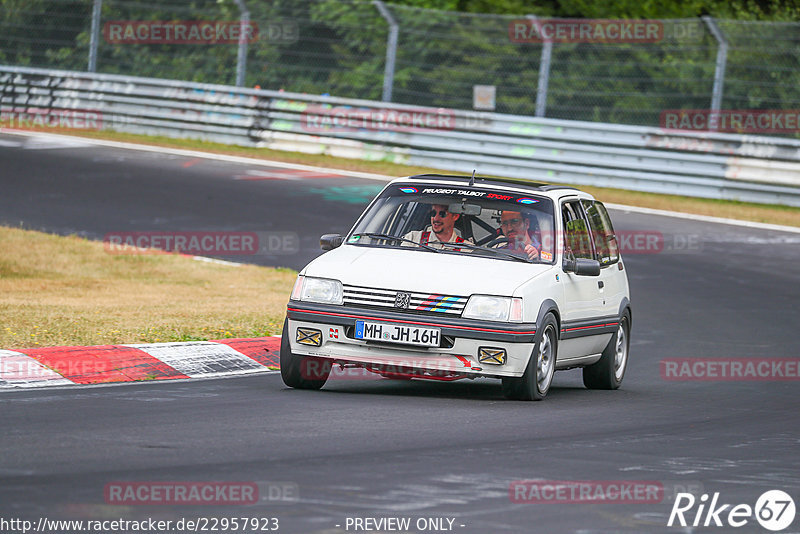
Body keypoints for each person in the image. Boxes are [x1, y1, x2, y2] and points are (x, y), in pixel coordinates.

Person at [403, 204, 471, 248]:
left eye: (442, 214)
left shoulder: (467, 249)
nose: (436, 218)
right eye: (433, 213)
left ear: (455, 216)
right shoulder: (412, 239)